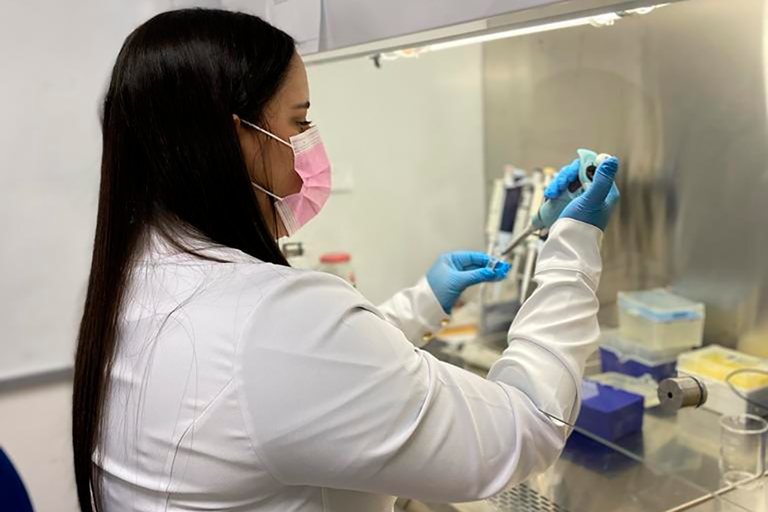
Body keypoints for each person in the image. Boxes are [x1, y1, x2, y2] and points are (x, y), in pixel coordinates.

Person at [71, 9, 620, 512]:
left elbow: (301, 381)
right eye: (298, 121)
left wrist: (424, 303)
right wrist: (571, 249)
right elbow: (526, 427)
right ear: (237, 138)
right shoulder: (271, 321)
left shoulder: (141, 280)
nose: (309, 144)